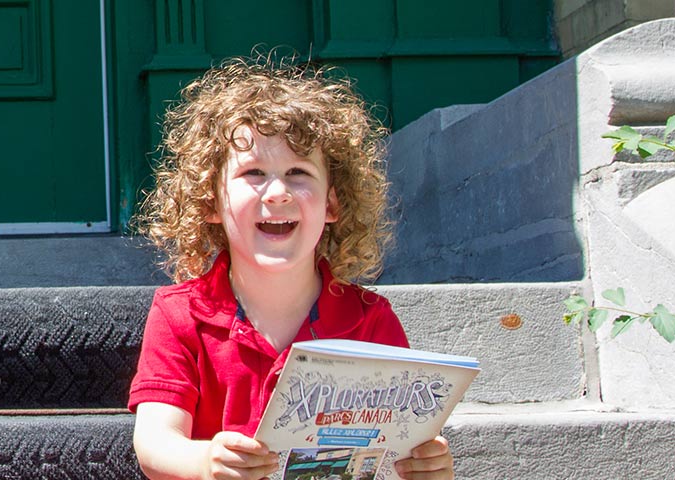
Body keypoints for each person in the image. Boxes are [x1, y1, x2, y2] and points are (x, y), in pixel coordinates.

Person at [126, 57, 454, 480]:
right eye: (253, 172)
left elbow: (404, 445)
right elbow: (154, 443)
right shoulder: (179, 315)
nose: (278, 192)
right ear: (210, 202)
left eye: (298, 172)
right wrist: (205, 462)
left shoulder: (370, 321)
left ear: (332, 204)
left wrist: (429, 467)